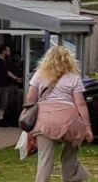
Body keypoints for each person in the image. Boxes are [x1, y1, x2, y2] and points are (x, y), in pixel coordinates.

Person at [25, 45, 91, 182]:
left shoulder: (39, 75)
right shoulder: (74, 77)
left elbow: (30, 98)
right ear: (69, 60)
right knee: (71, 151)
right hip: (69, 120)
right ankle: (72, 177)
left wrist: (28, 122)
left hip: (44, 120)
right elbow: (80, 104)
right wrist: (87, 127)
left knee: (45, 159)